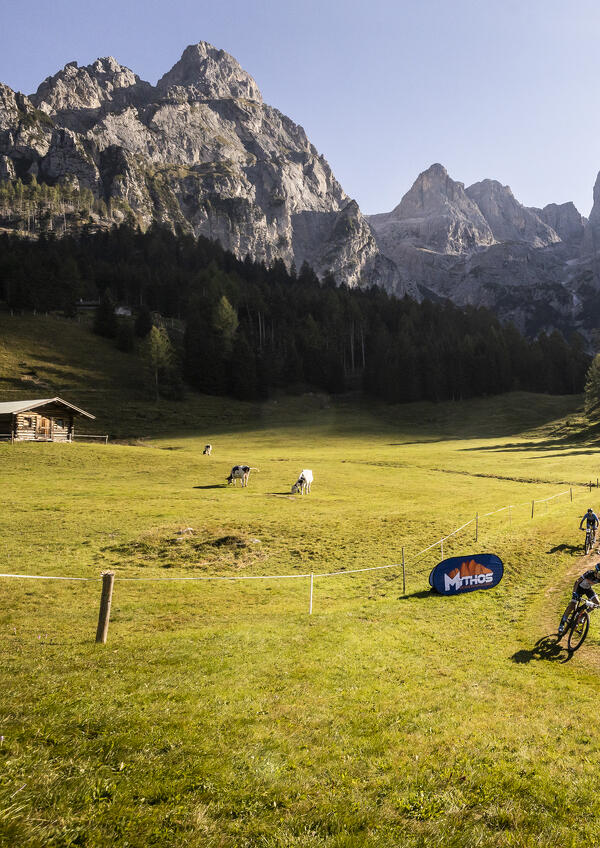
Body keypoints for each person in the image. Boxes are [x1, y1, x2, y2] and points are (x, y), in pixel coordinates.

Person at [558, 563, 600, 636]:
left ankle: (582, 616)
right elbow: (577, 581)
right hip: (579, 589)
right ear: (596, 571)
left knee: (597, 603)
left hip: (588, 590)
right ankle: (562, 623)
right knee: (572, 605)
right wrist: (574, 592)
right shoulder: (589, 573)